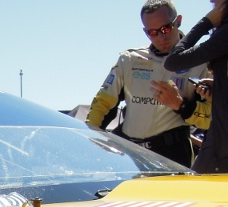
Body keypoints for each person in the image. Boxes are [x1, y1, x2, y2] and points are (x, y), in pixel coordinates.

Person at [87, 0, 212, 166]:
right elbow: (102, 104)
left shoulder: (201, 62)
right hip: (130, 154)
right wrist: (87, 139)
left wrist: (180, 105)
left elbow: (213, 118)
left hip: (173, 154)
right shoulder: (129, 60)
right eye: (152, 32)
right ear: (145, 31)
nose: (161, 36)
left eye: (166, 28)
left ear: (179, 20)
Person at [165, 1, 228, 172]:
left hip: (220, 147)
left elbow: (173, 61)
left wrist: (205, 23)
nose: (211, 1)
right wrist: (220, 87)